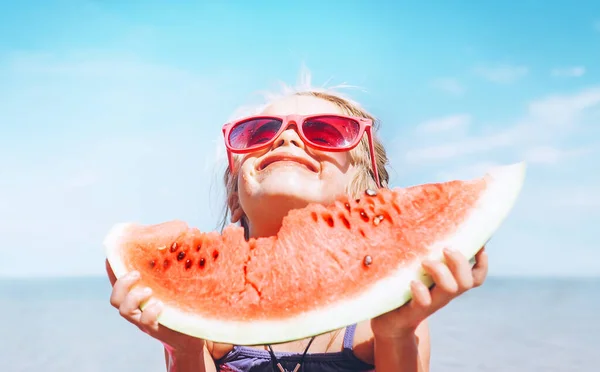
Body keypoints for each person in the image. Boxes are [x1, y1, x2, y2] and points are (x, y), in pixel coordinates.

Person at [106, 77, 489, 372]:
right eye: (257, 132)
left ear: (371, 198)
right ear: (234, 198)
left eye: (326, 130)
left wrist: (396, 334)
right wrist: (182, 346)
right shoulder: (204, 329)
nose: (287, 136)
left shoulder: (385, 316)